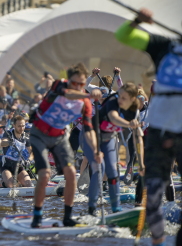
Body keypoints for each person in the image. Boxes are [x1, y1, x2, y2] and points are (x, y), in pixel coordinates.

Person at [115, 8, 182, 246]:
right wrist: (137, 21)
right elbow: (123, 35)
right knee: (152, 193)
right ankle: (157, 240)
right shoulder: (165, 45)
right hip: (160, 130)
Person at [29, 62, 102, 228]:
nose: (77, 86)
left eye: (81, 84)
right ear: (69, 81)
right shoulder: (59, 85)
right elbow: (68, 94)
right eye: (74, 83)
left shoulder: (86, 103)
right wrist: (88, 95)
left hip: (59, 137)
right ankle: (37, 216)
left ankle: (68, 217)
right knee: (45, 174)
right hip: (39, 134)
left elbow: (89, 129)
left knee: (70, 173)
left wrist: (96, 150)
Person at [82, 82, 142, 215]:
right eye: (120, 96)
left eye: (124, 98)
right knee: (99, 168)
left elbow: (137, 138)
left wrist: (141, 163)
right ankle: (91, 210)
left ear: (133, 99)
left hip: (108, 139)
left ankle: (116, 211)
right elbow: (113, 118)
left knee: (113, 173)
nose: (120, 100)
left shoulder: (135, 111)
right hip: (91, 136)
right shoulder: (113, 101)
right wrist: (129, 124)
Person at [0, 115, 33, 187]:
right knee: (11, 185)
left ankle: (17, 182)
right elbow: (2, 143)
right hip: (6, 165)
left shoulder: (26, 137)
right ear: (14, 125)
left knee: (28, 184)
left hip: (18, 165)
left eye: (23, 126)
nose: (22, 128)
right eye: (19, 126)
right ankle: (2, 183)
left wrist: (29, 161)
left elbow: (31, 153)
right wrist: (9, 143)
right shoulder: (8, 133)